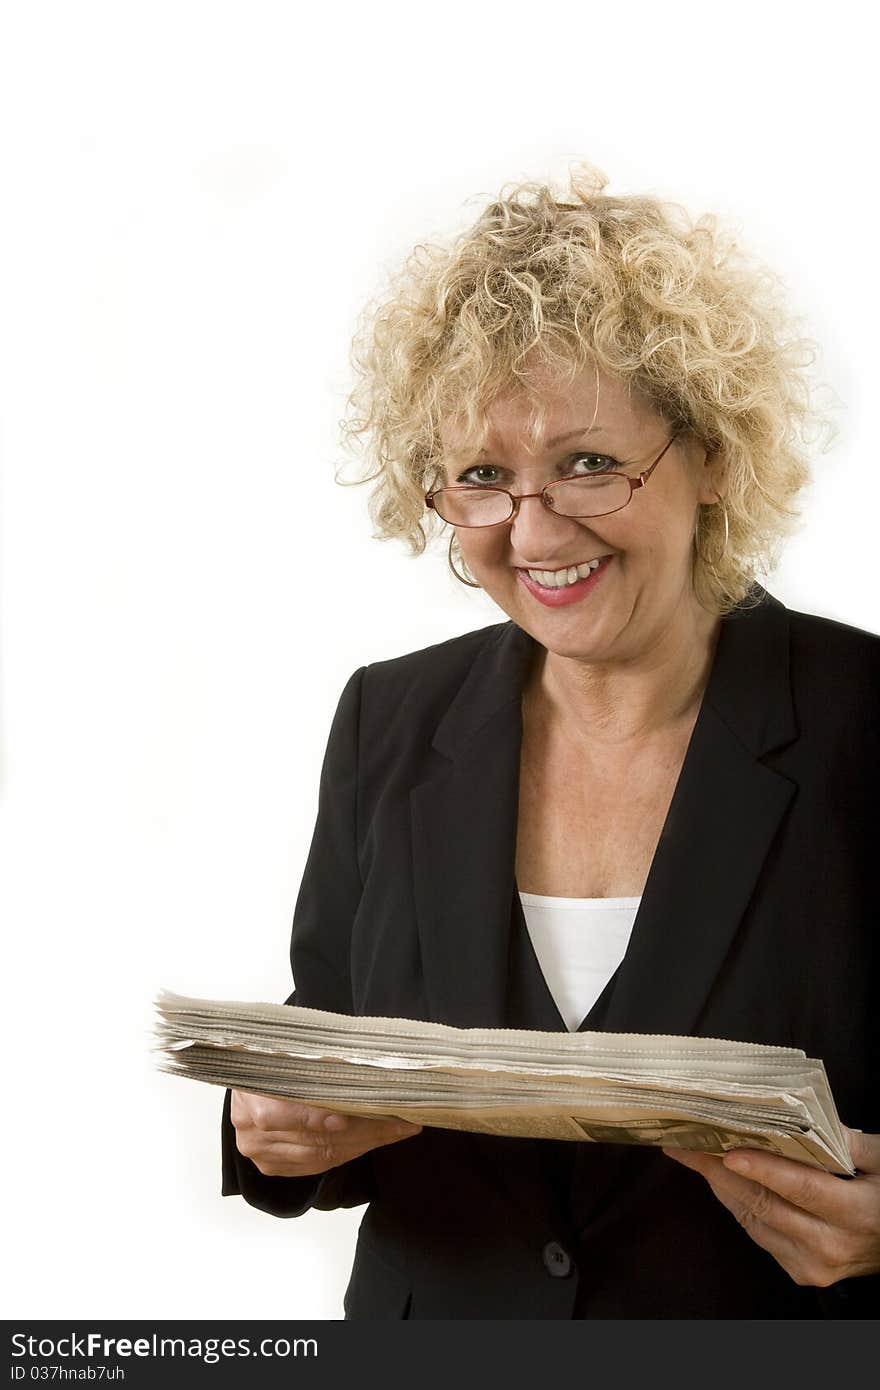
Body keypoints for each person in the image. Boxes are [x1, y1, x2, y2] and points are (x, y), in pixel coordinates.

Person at [220, 163, 880, 1318]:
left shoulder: (863, 716)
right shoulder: (390, 717)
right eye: (482, 476)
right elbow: (322, 1027)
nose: (532, 530)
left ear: (714, 452)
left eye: (587, 462)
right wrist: (273, 1125)